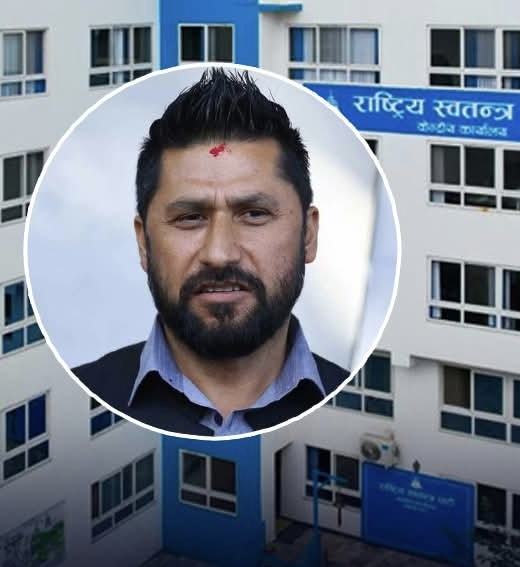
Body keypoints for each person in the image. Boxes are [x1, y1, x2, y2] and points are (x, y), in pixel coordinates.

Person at [72, 67, 350, 436]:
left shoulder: (350, 401)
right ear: (143, 242)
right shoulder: (80, 396)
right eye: (190, 218)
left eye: (254, 214)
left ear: (308, 235)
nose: (219, 254)